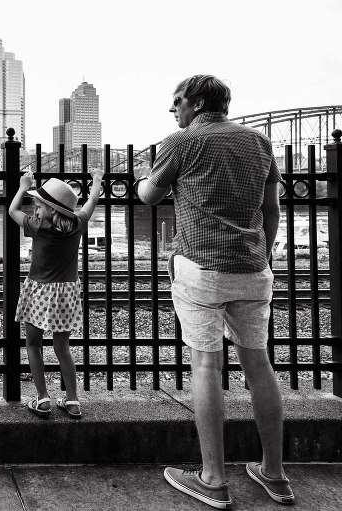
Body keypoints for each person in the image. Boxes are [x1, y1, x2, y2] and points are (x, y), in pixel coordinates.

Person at [136, 75, 293, 508]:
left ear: (198, 102)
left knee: (206, 364)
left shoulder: (181, 142)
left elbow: (149, 195)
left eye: (178, 100)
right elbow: (272, 208)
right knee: (258, 363)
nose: (173, 109)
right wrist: (262, 254)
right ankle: (275, 474)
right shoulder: (259, 143)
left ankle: (213, 479)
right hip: (252, 268)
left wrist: (140, 183)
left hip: (201, 268)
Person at [9, 170, 104, 419]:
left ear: (51, 210)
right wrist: (96, 180)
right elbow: (92, 200)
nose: (35, 210)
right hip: (66, 293)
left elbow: (12, 211)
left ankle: (43, 399)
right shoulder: (78, 223)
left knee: (33, 344)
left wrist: (22, 186)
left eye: (38, 206)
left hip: (39, 291)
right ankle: (72, 401)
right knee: (63, 348)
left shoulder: (38, 227)